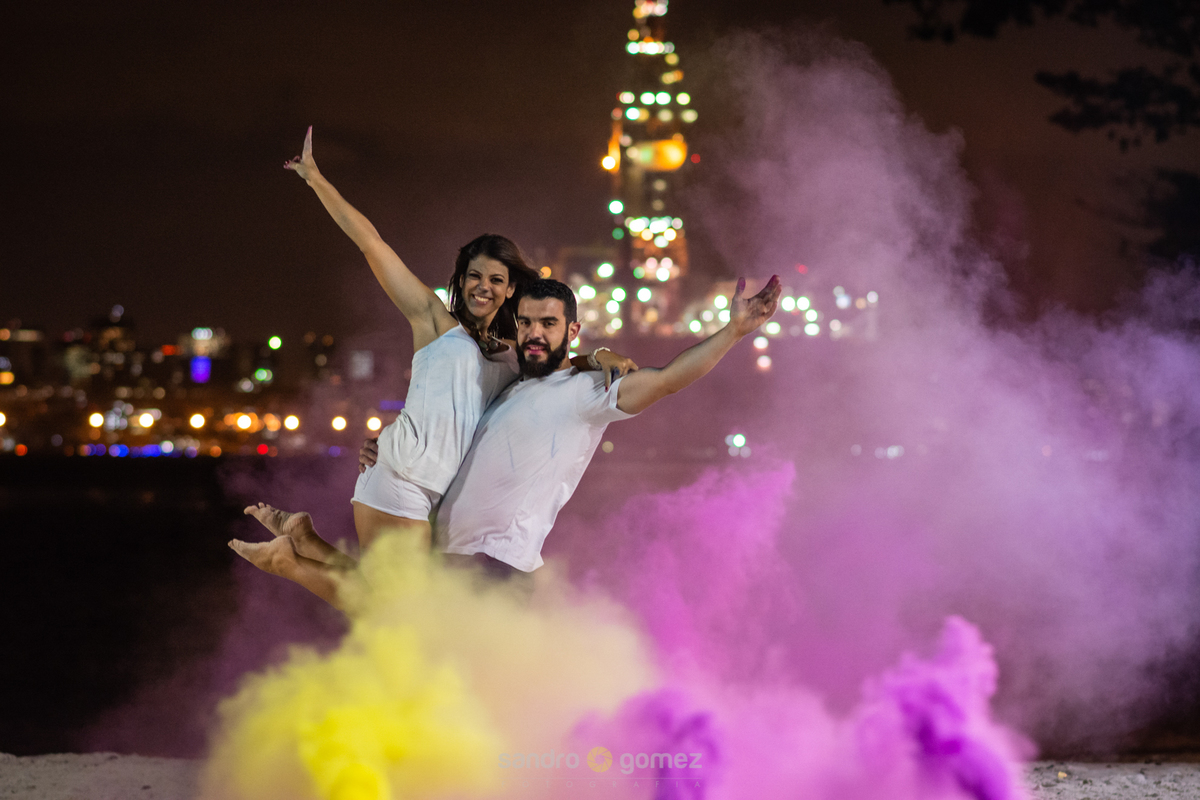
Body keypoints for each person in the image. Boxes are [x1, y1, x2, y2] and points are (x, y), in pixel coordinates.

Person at [228, 128, 635, 607]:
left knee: (399, 606)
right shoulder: (434, 322)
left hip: (434, 497)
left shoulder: (510, 355)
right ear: (460, 282)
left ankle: (302, 540)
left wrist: (599, 356)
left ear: (510, 290)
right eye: (474, 277)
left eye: (496, 280)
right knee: (399, 610)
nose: (483, 287)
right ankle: (289, 561)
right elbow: (370, 243)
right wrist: (316, 179)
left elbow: (555, 360)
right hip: (399, 479)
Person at [363, 275, 781, 586]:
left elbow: (666, 379)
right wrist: (388, 453)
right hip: (447, 561)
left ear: (572, 331)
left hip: (494, 568)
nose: (535, 333)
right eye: (526, 323)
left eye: (548, 323)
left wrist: (733, 332)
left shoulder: (586, 392)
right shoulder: (508, 387)